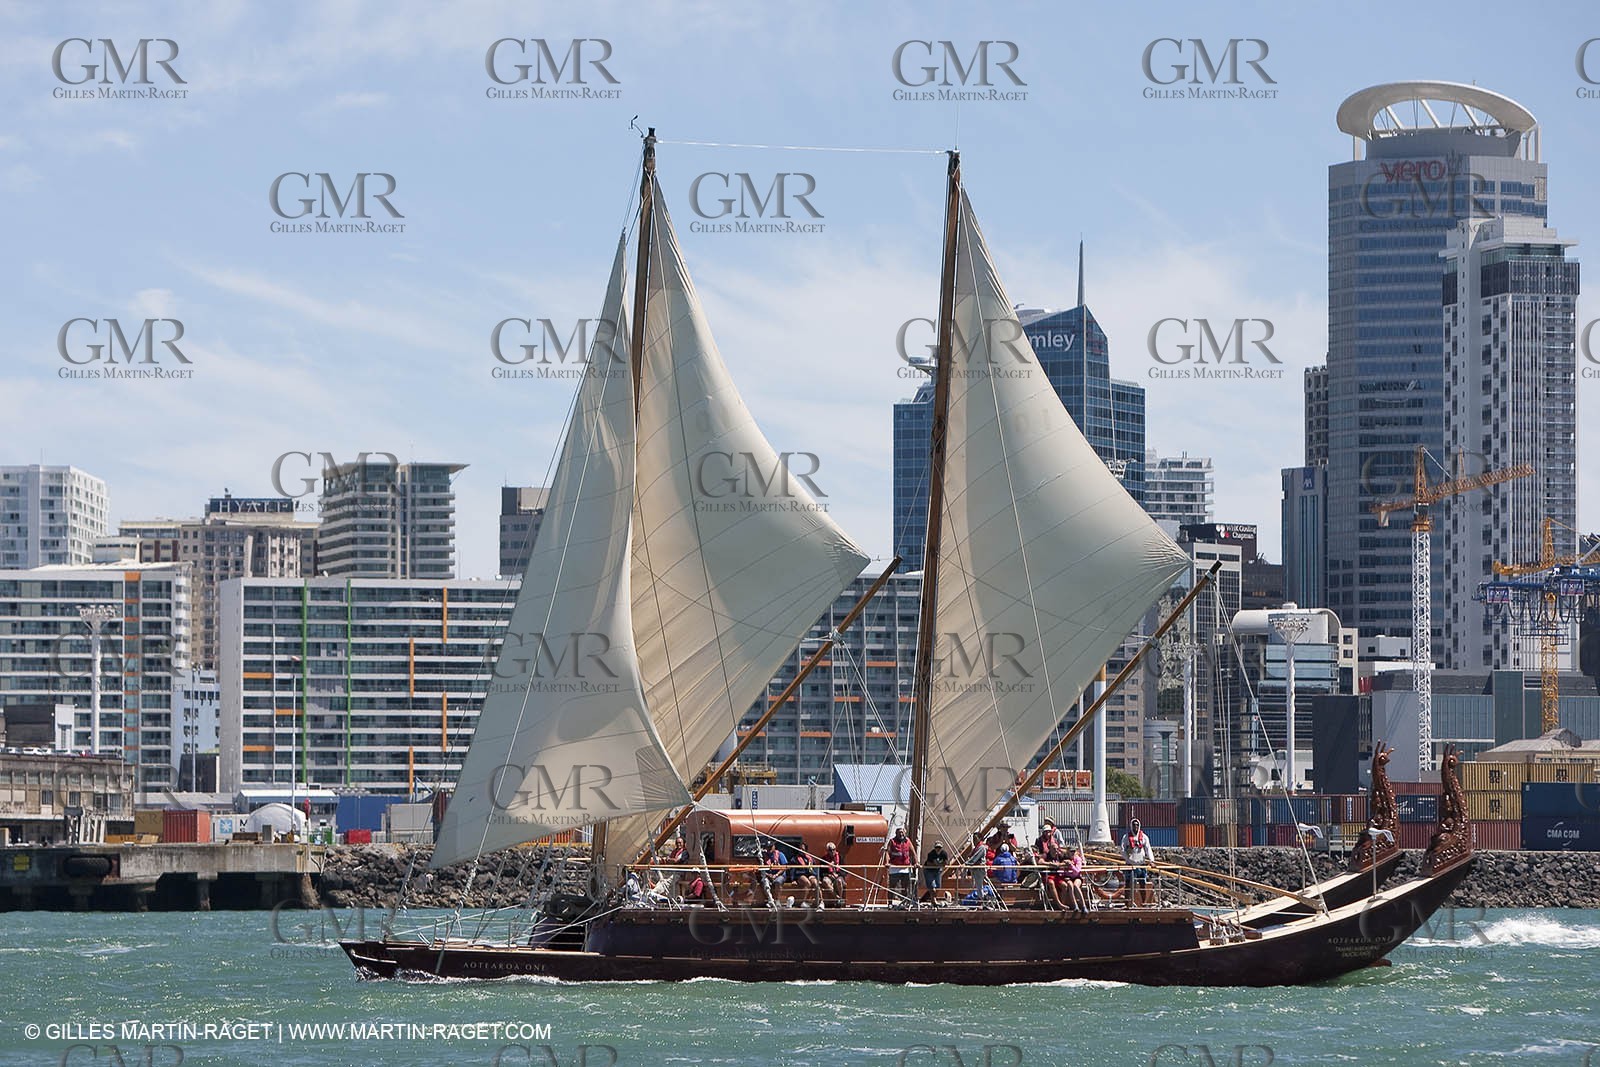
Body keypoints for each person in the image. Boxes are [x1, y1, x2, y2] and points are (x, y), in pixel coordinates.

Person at [1120, 817, 1155, 907]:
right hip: (1130, 865)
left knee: (1142, 884)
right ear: (1131, 826)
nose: (1135, 826)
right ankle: (1127, 904)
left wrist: (1152, 861)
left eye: (1137, 825)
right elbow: (1122, 850)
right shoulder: (1126, 837)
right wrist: (1127, 859)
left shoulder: (1144, 837)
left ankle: (1144, 903)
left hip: (1141, 865)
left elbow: (1148, 849)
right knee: (1128, 884)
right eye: (1134, 825)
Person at [886, 826, 916, 906]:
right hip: (895, 867)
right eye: (899, 833)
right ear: (896, 834)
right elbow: (887, 852)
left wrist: (916, 862)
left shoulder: (908, 841)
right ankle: (890, 903)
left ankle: (904, 902)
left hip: (905, 868)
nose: (901, 834)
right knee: (892, 886)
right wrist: (887, 862)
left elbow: (913, 852)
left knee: (905, 886)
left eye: (902, 833)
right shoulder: (892, 841)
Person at [1063, 844, 1091, 912]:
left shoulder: (1078, 859)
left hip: (1077, 876)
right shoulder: (1064, 859)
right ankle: (1075, 905)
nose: (1072, 853)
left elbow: (1077, 871)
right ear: (1067, 852)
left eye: (1073, 851)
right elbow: (1061, 870)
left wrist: (1071, 865)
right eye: (1071, 851)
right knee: (1070, 885)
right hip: (1068, 877)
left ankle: (1083, 906)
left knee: (1076, 885)